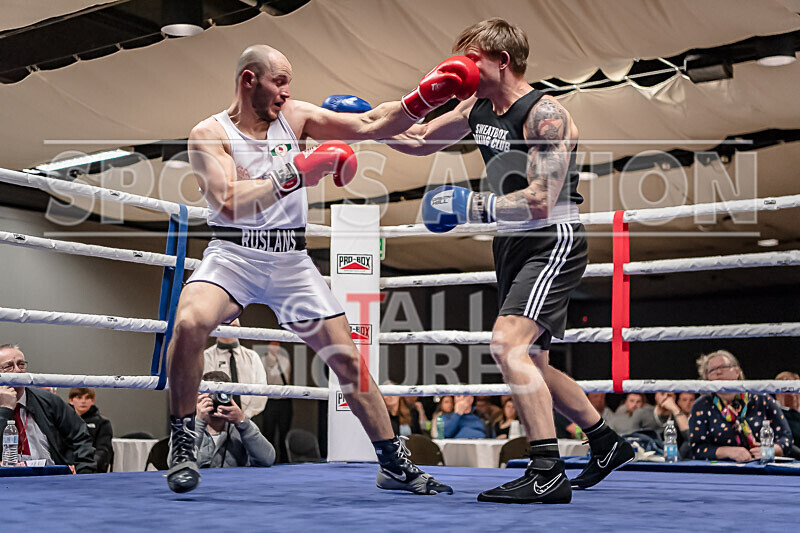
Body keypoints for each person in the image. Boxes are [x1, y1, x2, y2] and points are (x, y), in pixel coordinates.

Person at [166, 44, 478, 493]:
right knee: (189, 322)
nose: (286, 92)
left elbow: (370, 124)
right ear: (249, 80)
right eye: (279, 81)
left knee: (348, 360)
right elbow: (228, 201)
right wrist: (297, 173)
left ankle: (393, 463)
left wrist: (423, 98)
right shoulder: (209, 133)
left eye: (289, 83)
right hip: (234, 254)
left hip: (291, 260)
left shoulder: (295, 117)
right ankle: (182, 443)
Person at [381, 18, 634, 503]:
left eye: (471, 58)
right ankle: (605, 442)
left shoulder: (545, 114)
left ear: (502, 61)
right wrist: (363, 126)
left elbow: (540, 199)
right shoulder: (476, 108)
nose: (460, 67)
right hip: (511, 242)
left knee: (507, 345)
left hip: (551, 238)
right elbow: (419, 139)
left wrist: (468, 206)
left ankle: (546, 471)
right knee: (531, 359)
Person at [0, 344, 96, 473]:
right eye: (9, 366)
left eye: (21, 364)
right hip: (6, 478)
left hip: (51, 476)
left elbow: (80, 436)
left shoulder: (49, 400)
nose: (17, 370)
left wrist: (83, 473)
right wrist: (5, 410)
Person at [689, 350, 793, 462]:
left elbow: (786, 439)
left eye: (723, 367)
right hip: (723, 468)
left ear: (737, 371)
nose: (718, 372)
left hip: (762, 465)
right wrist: (728, 452)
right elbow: (697, 449)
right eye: (712, 370)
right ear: (707, 378)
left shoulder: (762, 399)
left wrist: (770, 450)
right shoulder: (702, 405)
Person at [195, 371, 276, 468]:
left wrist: (242, 423)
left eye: (221, 395)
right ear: (199, 396)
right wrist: (199, 422)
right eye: (211, 395)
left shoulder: (241, 426)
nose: (216, 400)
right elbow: (180, 464)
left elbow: (267, 459)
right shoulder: (188, 427)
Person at [203, 318, 268, 421]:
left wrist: (244, 417)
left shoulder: (252, 356)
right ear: (217, 327)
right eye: (226, 325)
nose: (230, 330)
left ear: (239, 328)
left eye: (234, 326)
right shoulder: (206, 356)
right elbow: (206, 391)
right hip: (216, 418)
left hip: (250, 418)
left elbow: (261, 391)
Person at [260, 341, 293, 462]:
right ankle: (269, 459)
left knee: (284, 432)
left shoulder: (285, 360)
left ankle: (284, 460)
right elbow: (265, 379)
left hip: (284, 400)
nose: (275, 347)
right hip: (270, 400)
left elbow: (287, 378)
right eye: (272, 344)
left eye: (277, 345)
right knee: (269, 432)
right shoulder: (263, 360)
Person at [68, 387, 113, 472]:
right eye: (79, 398)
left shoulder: (103, 423)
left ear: (92, 401)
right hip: (67, 467)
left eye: (87, 398)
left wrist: (88, 466)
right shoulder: (63, 420)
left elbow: (103, 450)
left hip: (91, 469)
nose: (83, 401)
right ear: (71, 400)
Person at [652, 392, 691, 458]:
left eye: (669, 395)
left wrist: (675, 409)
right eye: (662, 394)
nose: (665, 397)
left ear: (674, 398)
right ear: (656, 396)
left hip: (675, 458)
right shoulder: (643, 412)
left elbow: (690, 437)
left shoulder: (680, 415)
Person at [774, 371, 800, 459]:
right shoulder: (773, 411)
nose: (794, 395)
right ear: (778, 393)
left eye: (797, 390)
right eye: (789, 391)